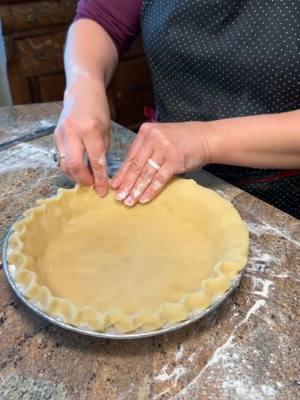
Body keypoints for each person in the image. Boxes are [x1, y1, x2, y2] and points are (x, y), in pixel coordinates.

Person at [54, 0, 300, 219]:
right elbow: (102, 18)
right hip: (169, 175)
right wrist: (84, 87)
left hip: (285, 203)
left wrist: (205, 140)